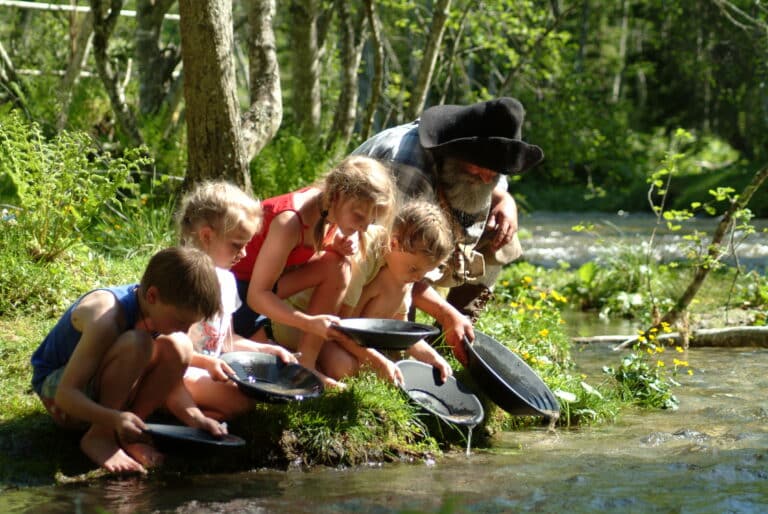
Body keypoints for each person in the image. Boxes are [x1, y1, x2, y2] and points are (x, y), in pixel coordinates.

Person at [352, 97, 544, 362]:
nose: (487, 178)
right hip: (364, 254)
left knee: (503, 235)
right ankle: (391, 335)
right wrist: (441, 311)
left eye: (495, 172)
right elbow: (392, 257)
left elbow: (495, 180)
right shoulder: (408, 165)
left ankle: (453, 331)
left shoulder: (486, 159)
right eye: (479, 172)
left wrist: (506, 201)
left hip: (419, 236)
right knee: (398, 270)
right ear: (456, 153)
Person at [30, 247, 224, 474]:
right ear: (152, 295)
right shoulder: (107, 317)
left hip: (100, 396)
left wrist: (196, 419)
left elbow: (173, 383)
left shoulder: (157, 306)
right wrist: (113, 418)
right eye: (181, 320)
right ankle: (100, 436)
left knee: (181, 346)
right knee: (138, 343)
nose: (185, 328)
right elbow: (66, 395)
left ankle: (131, 432)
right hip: (60, 396)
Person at [230, 155, 397, 385]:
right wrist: (308, 323)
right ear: (337, 195)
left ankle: (305, 363)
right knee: (337, 265)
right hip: (233, 295)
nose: (365, 226)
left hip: (262, 289)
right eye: (359, 216)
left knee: (338, 265)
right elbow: (257, 296)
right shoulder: (289, 222)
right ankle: (262, 342)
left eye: (372, 219)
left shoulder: (327, 208)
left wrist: (332, 245)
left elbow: (301, 252)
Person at [268, 199, 456, 384]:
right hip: (300, 320)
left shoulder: (402, 270)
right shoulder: (362, 255)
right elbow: (343, 328)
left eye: (424, 273)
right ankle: (302, 361)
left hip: (333, 328)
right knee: (345, 368)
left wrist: (432, 357)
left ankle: (329, 359)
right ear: (394, 243)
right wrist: (377, 360)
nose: (417, 278)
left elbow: (400, 325)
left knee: (355, 366)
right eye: (414, 270)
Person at [175, 180, 297, 421]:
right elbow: (165, 346)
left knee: (247, 400)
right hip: (177, 371)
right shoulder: (182, 278)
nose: (243, 254)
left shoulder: (227, 281)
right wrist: (207, 364)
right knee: (240, 403)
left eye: (246, 245)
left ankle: (199, 416)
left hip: (208, 369)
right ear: (207, 236)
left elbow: (226, 341)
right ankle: (177, 412)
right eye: (236, 245)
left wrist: (264, 349)